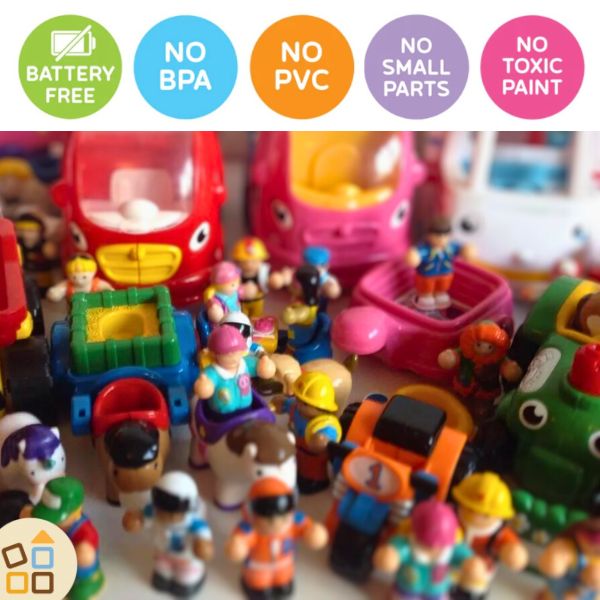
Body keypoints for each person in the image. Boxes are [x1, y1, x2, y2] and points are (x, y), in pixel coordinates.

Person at [226, 477, 328, 599]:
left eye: (283, 518)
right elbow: (240, 542)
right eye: (269, 520)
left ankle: (282, 584)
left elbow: (308, 530)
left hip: (284, 565)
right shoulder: (250, 528)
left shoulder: (295, 521)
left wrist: (314, 533)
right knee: (259, 584)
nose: (277, 523)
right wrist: (237, 546)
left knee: (284, 581)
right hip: (258, 567)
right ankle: (258, 587)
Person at [123, 471, 214, 597]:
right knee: (161, 575)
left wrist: (203, 545)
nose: (167, 515)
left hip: (186, 559)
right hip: (164, 554)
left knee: (184, 581)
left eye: (174, 507)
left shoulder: (193, 522)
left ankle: (187, 580)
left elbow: (203, 536)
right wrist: (135, 519)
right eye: (162, 505)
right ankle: (165, 576)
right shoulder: (153, 511)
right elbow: (141, 517)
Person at [374, 499, 487, 600]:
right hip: (407, 588)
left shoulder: (451, 549)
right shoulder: (408, 544)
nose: (434, 547)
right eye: (427, 543)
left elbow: (463, 555)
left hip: (437, 591)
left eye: (441, 543)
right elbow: (395, 550)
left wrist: (472, 564)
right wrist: (389, 556)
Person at [452, 472, 528, 599]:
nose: (475, 516)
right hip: (446, 567)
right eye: (470, 508)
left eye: (486, 515)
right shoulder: (451, 516)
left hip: (478, 577)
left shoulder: (498, 533)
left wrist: (513, 553)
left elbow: (513, 549)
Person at [30, 476, 105, 600]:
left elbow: (86, 555)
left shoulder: (85, 532)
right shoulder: (56, 526)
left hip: (78, 571)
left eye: (57, 518)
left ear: (76, 511)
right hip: (57, 561)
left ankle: (83, 582)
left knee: (84, 555)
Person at [277, 371, 341, 494]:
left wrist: (322, 439)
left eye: (305, 404)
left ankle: (316, 482)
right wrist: (279, 403)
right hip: (296, 450)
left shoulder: (325, 423)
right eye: (298, 399)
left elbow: (329, 436)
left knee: (311, 472)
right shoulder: (296, 408)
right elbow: (284, 403)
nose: (299, 405)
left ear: (321, 407)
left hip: (313, 460)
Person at [194, 325, 276, 416]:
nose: (234, 358)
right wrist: (204, 385)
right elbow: (204, 388)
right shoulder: (213, 372)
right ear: (214, 354)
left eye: (237, 352)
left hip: (246, 408)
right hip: (221, 414)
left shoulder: (244, 364)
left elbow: (261, 369)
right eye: (228, 354)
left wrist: (264, 365)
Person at [406, 216, 475, 311]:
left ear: (449, 235)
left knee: (443, 285)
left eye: (445, 236)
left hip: (445, 273)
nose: (441, 239)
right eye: (437, 236)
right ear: (428, 235)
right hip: (427, 275)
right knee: (426, 287)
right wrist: (414, 256)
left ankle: (440, 293)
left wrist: (467, 250)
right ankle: (426, 296)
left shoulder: (451, 247)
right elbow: (417, 254)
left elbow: (462, 249)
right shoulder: (425, 249)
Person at [538, 504, 600, 600]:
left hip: (584, 594)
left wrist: (578, 592)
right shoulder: (571, 546)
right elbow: (552, 563)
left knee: (595, 575)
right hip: (558, 590)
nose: (595, 547)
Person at [232, 237, 272, 318]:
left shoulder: (263, 273)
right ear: (238, 261)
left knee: (257, 317)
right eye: (244, 262)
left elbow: (269, 283)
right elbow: (232, 286)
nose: (249, 265)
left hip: (258, 301)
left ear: (261, 260)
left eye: (254, 261)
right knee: (242, 317)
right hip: (242, 302)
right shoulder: (236, 273)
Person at [46, 253, 113, 302]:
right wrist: (55, 293)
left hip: (95, 310)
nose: (79, 281)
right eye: (74, 277)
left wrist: (107, 290)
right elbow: (54, 293)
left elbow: (108, 288)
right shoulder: (68, 284)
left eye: (84, 277)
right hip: (73, 312)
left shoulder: (96, 283)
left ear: (94, 272)